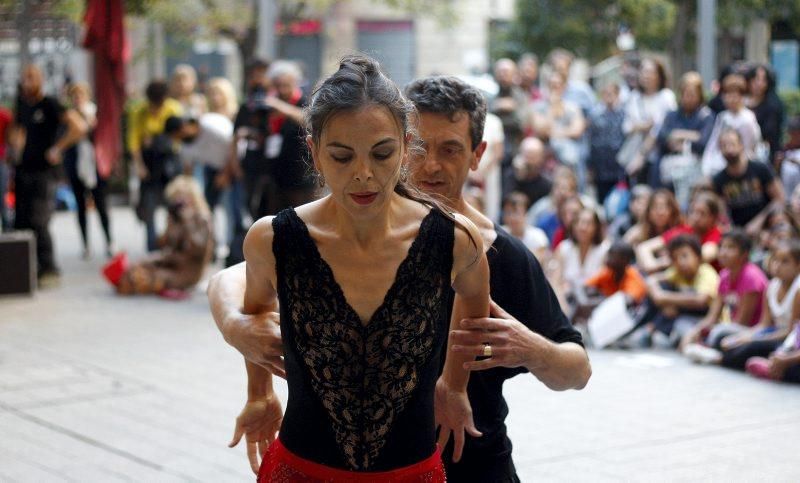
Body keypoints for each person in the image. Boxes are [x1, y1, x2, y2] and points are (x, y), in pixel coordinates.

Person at [209, 73, 591, 482]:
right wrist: (236, 327)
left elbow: (578, 370)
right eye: (422, 148)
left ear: (477, 155)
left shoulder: (492, 251)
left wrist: (528, 347)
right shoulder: (300, 232)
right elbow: (236, 278)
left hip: (469, 465)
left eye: (449, 149)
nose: (430, 165)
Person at [220, 57, 491, 481]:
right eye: (342, 157)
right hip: (299, 471)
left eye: (381, 154)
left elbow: (475, 309)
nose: (364, 175)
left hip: (412, 472)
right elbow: (256, 318)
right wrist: (259, 394)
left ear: (405, 147)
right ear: (314, 153)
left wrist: (454, 385)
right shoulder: (272, 239)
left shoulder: (456, 240)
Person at [11, 64, 87, 282]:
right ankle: (27, 269)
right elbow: (17, 131)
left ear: (40, 80)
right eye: (25, 77)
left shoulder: (51, 104)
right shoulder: (22, 105)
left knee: (39, 219)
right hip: (25, 169)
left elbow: (79, 127)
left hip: (45, 173)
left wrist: (58, 148)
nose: (27, 82)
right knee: (22, 220)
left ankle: (49, 268)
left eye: (32, 77)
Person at [684, 240, 800, 369]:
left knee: (753, 346)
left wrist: (750, 339)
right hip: (771, 331)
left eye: (785, 262)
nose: (777, 266)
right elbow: (764, 324)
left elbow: (791, 331)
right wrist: (743, 336)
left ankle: (719, 358)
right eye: (775, 260)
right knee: (725, 338)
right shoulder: (771, 286)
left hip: (788, 339)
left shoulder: (797, 289)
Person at [110, 175, 213, 296]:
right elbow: (164, 245)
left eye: (183, 198)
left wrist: (187, 221)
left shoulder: (202, 219)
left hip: (189, 271)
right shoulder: (176, 218)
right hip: (172, 264)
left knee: (152, 277)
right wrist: (171, 225)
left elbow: (198, 250)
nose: (179, 202)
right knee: (140, 267)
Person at [681, 229, 768, 356]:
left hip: (751, 332)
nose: (723, 253)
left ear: (744, 254)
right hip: (731, 328)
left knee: (720, 334)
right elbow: (712, 316)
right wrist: (695, 332)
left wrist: (712, 332)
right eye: (721, 247)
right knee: (686, 326)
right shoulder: (724, 275)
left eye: (730, 248)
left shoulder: (751, 276)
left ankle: (709, 348)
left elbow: (742, 322)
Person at [62, 82, 114, 259]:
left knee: (101, 205)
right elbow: (64, 139)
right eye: (75, 96)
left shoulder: (95, 114)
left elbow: (102, 136)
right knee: (81, 206)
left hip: (95, 165)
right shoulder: (68, 117)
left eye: (81, 95)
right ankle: (86, 245)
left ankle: (109, 241)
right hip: (76, 165)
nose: (78, 99)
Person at [642, 234, 720, 346]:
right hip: (687, 317)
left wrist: (664, 298)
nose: (680, 262)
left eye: (685, 256)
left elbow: (700, 300)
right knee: (665, 289)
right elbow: (652, 279)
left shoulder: (706, 273)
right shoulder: (677, 272)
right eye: (675, 258)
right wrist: (662, 300)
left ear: (698, 256)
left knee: (680, 324)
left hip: (709, 321)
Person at [711, 128, 784, 229]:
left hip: (767, 226)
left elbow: (779, 199)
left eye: (732, 144)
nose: (728, 149)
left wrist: (760, 221)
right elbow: (722, 212)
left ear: (741, 145)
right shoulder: (718, 179)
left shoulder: (760, 169)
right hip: (738, 232)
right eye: (724, 146)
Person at [654, 71, 715, 189]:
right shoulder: (671, 115)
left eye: (692, 94)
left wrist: (679, 135)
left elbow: (703, 142)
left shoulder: (706, 116)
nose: (688, 98)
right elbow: (662, 137)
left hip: (694, 169)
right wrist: (692, 135)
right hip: (669, 169)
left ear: (699, 95)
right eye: (685, 94)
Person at [636, 192, 722, 274]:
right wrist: (655, 265)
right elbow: (643, 247)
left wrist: (670, 260)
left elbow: (704, 256)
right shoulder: (684, 230)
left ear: (713, 218)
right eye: (693, 211)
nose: (696, 217)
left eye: (702, 213)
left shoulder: (716, 234)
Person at [623, 58, 677, 184]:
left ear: (659, 75)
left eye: (650, 72)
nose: (646, 76)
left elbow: (660, 128)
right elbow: (626, 127)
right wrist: (644, 126)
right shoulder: (634, 97)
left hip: (658, 155)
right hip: (634, 152)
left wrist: (641, 155)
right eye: (644, 72)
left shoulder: (666, 97)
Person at [702, 74, 762, 177]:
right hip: (721, 160)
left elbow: (748, 149)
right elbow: (713, 144)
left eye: (734, 95)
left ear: (742, 97)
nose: (731, 99)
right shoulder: (723, 117)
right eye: (727, 95)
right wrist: (706, 164)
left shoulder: (748, 119)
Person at [553, 207, 610, 311]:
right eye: (578, 222)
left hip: (595, 303)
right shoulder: (563, 248)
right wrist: (563, 309)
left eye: (588, 223)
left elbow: (604, 284)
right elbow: (555, 282)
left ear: (596, 227)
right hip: (566, 304)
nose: (582, 227)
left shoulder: (604, 249)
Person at [530, 71, 586, 173]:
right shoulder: (537, 107)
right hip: (546, 151)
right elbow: (542, 131)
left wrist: (554, 133)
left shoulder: (573, 108)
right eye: (551, 85)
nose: (554, 88)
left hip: (569, 155)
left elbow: (577, 131)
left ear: (564, 87)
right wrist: (551, 109)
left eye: (557, 85)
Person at [588, 82, 626, 203]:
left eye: (612, 93)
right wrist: (591, 167)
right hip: (600, 167)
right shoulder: (595, 115)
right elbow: (590, 141)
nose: (609, 96)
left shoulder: (624, 114)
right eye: (606, 93)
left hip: (619, 167)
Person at [746, 63, 783, 164]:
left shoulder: (773, 105)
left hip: (764, 153)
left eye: (763, 80)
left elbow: (771, 134)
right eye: (755, 79)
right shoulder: (741, 102)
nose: (758, 84)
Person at [506, 136, 551, 209]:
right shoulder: (511, 176)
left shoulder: (546, 183)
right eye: (527, 155)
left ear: (541, 158)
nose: (530, 161)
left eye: (534, 157)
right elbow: (506, 202)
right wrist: (519, 177)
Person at [501, 191, 549, 260]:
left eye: (516, 212)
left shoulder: (538, 237)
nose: (512, 217)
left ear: (525, 213)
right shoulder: (499, 235)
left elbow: (536, 263)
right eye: (508, 213)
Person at [0, 104, 13, 230]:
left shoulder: (4, 115)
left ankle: (7, 231)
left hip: (1, 160)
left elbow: (12, 136)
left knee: (2, 198)